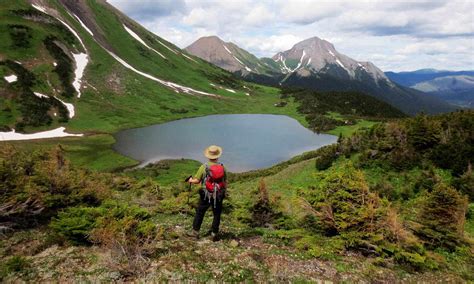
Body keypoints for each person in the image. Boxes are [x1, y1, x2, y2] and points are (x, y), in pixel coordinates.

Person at [187, 145, 227, 240]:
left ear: (208, 156)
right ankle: (214, 234)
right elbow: (225, 181)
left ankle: (195, 232)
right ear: (217, 156)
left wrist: (190, 180)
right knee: (217, 213)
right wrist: (224, 191)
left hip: (206, 194)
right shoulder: (222, 167)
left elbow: (197, 181)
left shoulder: (204, 167)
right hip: (219, 194)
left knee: (200, 212)